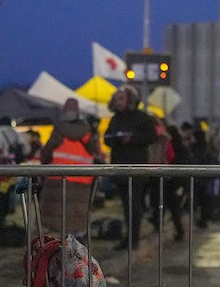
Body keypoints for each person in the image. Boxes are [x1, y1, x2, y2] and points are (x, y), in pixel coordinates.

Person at [102, 84, 158, 250]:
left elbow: (152, 136)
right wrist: (116, 139)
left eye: (121, 98)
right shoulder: (115, 119)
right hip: (119, 167)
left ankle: (134, 239)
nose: (118, 102)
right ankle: (129, 238)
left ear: (130, 99)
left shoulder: (143, 118)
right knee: (126, 204)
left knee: (134, 204)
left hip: (136, 167)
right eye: (116, 99)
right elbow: (106, 138)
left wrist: (132, 139)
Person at [38, 98, 102, 235]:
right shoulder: (87, 132)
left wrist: (44, 163)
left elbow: (46, 153)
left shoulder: (58, 131)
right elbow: (95, 151)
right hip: (83, 178)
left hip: (58, 177)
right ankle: (78, 243)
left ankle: (58, 246)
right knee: (78, 213)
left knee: (58, 214)